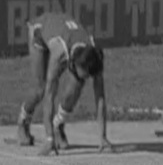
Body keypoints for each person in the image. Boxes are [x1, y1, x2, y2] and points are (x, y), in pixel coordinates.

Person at [16, 12, 112, 156]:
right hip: (39, 32)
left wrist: (103, 136)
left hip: (64, 32)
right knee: (40, 89)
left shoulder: (94, 56)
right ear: (75, 64)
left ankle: (58, 124)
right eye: (85, 74)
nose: (87, 78)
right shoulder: (59, 53)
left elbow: (100, 98)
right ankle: (23, 121)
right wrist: (49, 139)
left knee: (77, 85)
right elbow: (50, 95)